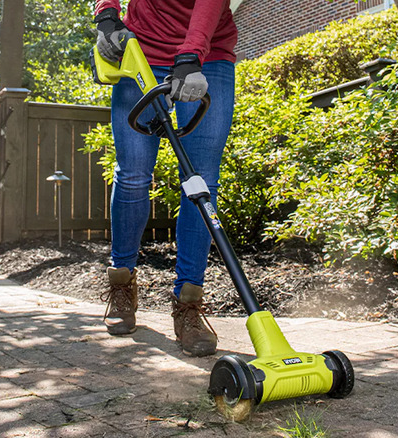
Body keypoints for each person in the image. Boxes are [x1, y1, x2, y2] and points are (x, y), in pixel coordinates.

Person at [94, 0, 237, 357]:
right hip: (141, 52)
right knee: (133, 175)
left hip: (208, 57)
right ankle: (122, 281)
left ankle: (189, 301)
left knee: (201, 181)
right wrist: (107, 15)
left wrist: (191, 55)